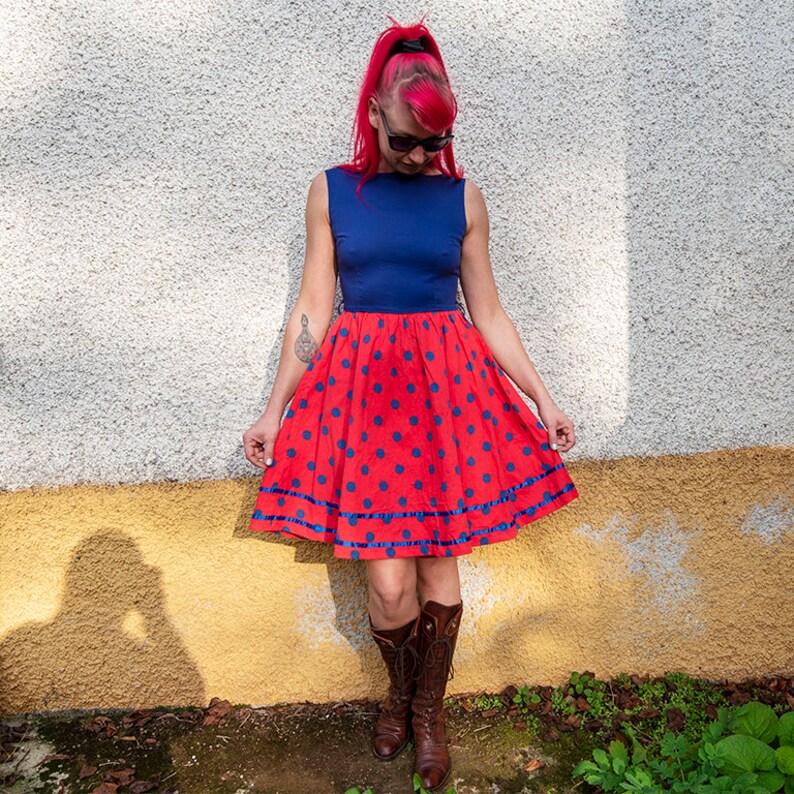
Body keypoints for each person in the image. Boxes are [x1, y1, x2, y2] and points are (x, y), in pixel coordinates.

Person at [242, 16, 579, 792]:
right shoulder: (332, 192)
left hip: (445, 400)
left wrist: (542, 397)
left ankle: (429, 712)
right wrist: (274, 409)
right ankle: (396, 692)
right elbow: (312, 307)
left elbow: (488, 312)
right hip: (362, 400)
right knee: (387, 582)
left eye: (435, 142)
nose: (422, 156)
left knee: (438, 573)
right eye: (407, 140)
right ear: (373, 116)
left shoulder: (463, 200)